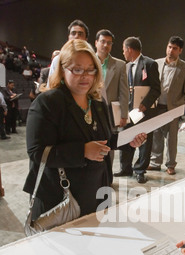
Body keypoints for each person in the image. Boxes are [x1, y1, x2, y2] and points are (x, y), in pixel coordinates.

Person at [23, 39, 146, 221]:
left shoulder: (97, 102)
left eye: (91, 69)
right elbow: (37, 152)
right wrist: (82, 151)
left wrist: (129, 140)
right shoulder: (47, 103)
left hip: (96, 190)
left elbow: (105, 139)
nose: (85, 76)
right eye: (77, 69)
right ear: (63, 70)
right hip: (60, 197)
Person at [114, 37, 161, 184]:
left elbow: (156, 89)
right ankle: (125, 168)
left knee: (144, 141)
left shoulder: (149, 64)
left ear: (129, 49)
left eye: (123, 49)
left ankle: (140, 170)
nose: (123, 53)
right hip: (129, 111)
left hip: (145, 111)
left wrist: (145, 104)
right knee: (127, 137)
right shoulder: (126, 67)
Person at [147, 36, 185, 175]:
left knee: (172, 139)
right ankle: (155, 162)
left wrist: (180, 106)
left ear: (180, 50)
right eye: (169, 47)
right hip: (156, 106)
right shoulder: (157, 63)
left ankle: (171, 164)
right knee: (156, 136)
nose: (170, 51)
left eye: (174, 48)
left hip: (172, 108)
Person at [95, 29, 129, 130]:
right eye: (103, 41)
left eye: (109, 43)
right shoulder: (88, 62)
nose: (105, 45)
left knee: (109, 143)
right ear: (96, 43)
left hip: (109, 112)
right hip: (90, 109)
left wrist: (124, 114)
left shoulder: (120, 65)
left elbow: (124, 92)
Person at [47, 19, 89, 86]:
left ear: (86, 39)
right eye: (73, 33)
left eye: (80, 34)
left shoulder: (92, 61)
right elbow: (51, 87)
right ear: (68, 37)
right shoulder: (58, 60)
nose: (76, 36)